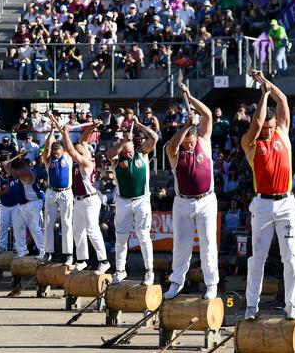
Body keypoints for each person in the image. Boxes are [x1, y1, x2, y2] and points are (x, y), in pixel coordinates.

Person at [242, 70, 295, 321]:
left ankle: (292, 305)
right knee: (258, 257)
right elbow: (255, 124)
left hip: (286, 202)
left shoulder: (283, 133)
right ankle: (251, 306)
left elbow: (284, 101)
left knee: (291, 257)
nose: (267, 130)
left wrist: (266, 83)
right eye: (265, 127)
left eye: (271, 126)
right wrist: (263, 96)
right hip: (263, 203)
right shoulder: (251, 143)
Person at [163, 83, 219, 300]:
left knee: (208, 244)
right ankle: (176, 282)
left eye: (190, 142)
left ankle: (211, 284)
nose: (188, 146)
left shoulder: (204, 141)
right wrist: (186, 125)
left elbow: (207, 114)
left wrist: (190, 95)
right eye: (185, 142)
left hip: (206, 200)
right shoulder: (175, 150)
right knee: (182, 245)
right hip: (183, 201)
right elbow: (172, 146)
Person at [52, 115, 110, 274]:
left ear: (85, 152)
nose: (78, 147)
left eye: (80, 148)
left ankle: (103, 261)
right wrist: (92, 127)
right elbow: (82, 141)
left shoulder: (87, 162)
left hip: (90, 200)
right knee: (78, 231)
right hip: (79, 200)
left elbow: (70, 149)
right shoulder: (81, 157)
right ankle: (83, 260)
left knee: (92, 230)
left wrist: (65, 133)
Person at [107, 117, 159, 285]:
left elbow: (154, 138)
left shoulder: (142, 154)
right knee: (121, 237)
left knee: (143, 235)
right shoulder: (117, 160)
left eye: (130, 152)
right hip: (123, 202)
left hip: (142, 200)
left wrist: (138, 125)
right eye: (125, 153)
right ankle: (120, 270)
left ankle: (149, 271)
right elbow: (110, 154)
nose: (128, 155)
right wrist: (123, 142)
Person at [40, 124, 74, 265]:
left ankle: (68, 254)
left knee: (66, 223)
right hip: (52, 192)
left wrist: (63, 131)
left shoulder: (67, 157)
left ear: (62, 151)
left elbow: (68, 145)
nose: (55, 155)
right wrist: (51, 131)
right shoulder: (48, 159)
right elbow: (46, 148)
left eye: (57, 153)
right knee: (48, 223)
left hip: (66, 192)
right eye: (54, 153)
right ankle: (48, 252)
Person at [3, 157, 46, 260]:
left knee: (34, 227)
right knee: (17, 225)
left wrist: (6, 165)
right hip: (22, 204)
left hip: (33, 203)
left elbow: (12, 172)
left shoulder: (28, 172)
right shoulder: (21, 170)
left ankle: (44, 251)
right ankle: (22, 250)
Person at [0, 169, 20, 253]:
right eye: (5, 173)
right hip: (4, 206)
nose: (7, 175)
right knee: (3, 226)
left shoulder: (14, 178)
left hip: (15, 205)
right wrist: (5, 190)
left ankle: (17, 246)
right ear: (2, 172)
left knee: (17, 226)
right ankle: (2, 246)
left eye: (8, 173)